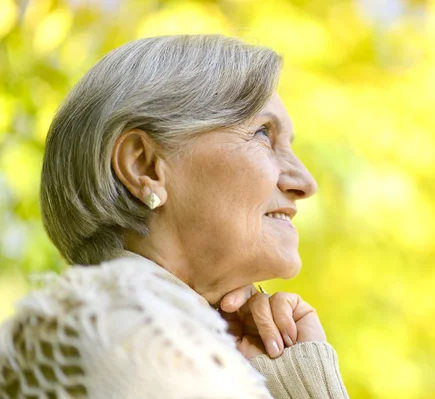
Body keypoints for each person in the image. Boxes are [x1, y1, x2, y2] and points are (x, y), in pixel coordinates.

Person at [0, 35, 348, 398]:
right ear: (143, 165)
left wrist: (297, 382)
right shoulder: (121, 339)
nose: (305, 183)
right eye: (263, 133)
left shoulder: (145, 338)